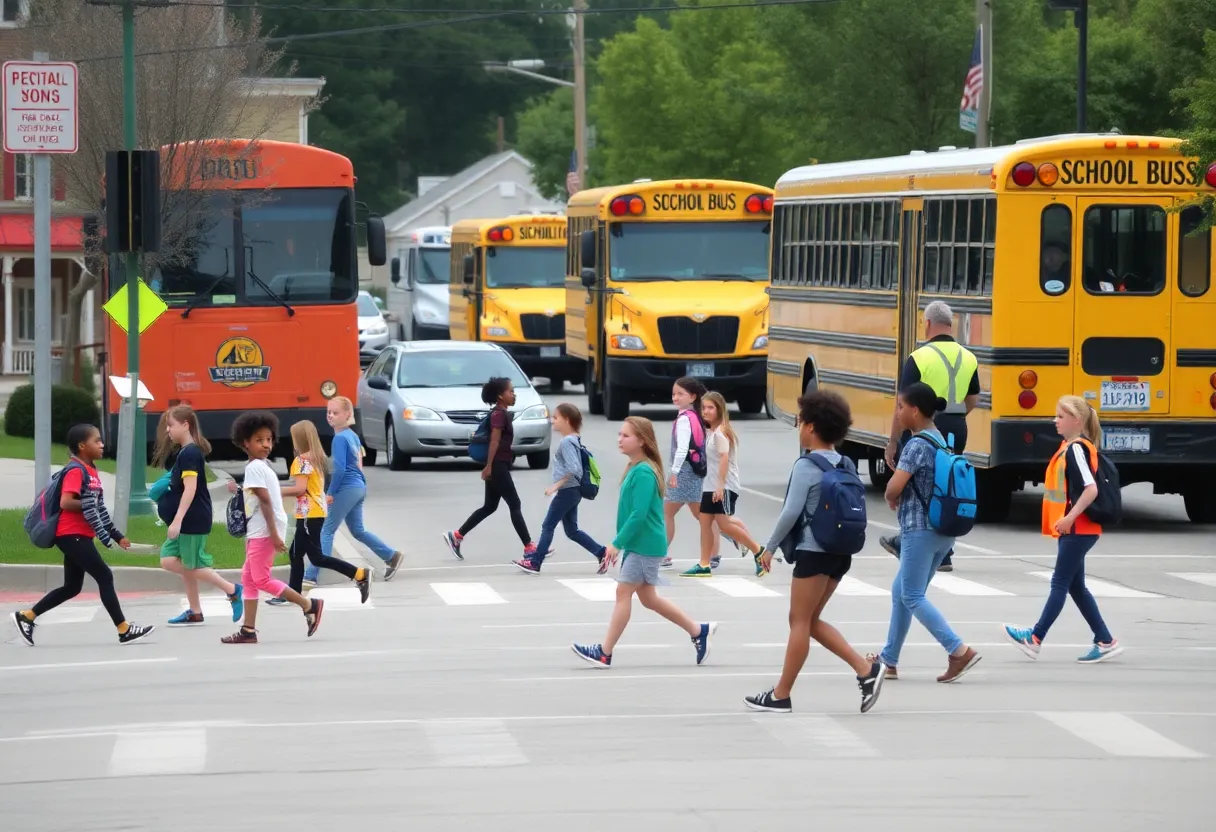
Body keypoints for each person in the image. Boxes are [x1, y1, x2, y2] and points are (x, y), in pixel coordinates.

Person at [746, 390, 886, 713]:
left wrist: (767, 549)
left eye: (800, 422)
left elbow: (789, 513)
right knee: (809, 620)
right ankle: (865, 670)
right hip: (841, 553)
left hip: (814, 552)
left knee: (798, 621)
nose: (799, 427)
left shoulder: (807, 465)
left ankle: (781, 695)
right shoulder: (846, 463)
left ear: (810, 427)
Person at [571, 416, 716, 668]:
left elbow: (638, 515)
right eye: (620, 434)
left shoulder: (645, 472)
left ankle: (604, 653)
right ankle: (697, 630)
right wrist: (622, 543)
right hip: (640, 543)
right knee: (649, 599)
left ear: (641, 441)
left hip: (645, 543)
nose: (620, 439)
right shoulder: (635, 468)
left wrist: (616, 544)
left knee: (623, 592)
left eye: (626, 435)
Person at [872, 383, 980, 683]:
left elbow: (894, 486)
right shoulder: (941, 440)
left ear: (915, 410)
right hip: (943, 532)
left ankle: (958, 650)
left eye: (901, 407)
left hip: (920, 530)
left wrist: (892, 497)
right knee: (901, 592)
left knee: (912, 595)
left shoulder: (917, 444)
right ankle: (889, 660)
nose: (898, 413)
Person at [1003, 396, 1123, 664]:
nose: (1054, 421)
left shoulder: (1076, 449)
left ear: (1076, 420)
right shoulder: (1071, 446)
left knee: (1060, 583)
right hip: (1077, 528)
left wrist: (1069, 517)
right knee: (1076, 587)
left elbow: (1090, 489)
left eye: (1060, 416)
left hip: (1079, 528)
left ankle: (1034, 638)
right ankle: (1105, 640)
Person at [10, 424, 154, 647]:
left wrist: (116, 535)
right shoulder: (76, 470)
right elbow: (66, 501)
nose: (102, 445)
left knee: (72, 587)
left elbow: (98, 508)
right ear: (82, 446)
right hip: (70, 533)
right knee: (104, 576)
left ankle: (27, 616)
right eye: (96, 441)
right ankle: (123, 629)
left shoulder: (91, 470)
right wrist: (89, 505)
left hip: (80, 534)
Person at [881, 300, 979, 572]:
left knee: (914, 486)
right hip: (956, 427)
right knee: (946, 485)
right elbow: (974, 398)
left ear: (927, 323)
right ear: (951, 323)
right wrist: (956, 417)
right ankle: (945, 551)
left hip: (924, 428)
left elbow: (902, 403)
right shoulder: (969, 357)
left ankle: (909, 542)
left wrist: (892, 440)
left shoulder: (918, 357)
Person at [222, 411, 324, 644]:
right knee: (248, 578)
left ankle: (309, 605)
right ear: (245, 442)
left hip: (265, 530)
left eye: (269, 439)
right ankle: (248, 630)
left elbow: (266, 501)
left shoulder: (255, 468)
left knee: (261, 579)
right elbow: (260, 498)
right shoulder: (261, 466)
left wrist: (275, 535)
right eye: (260, 440)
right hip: (264, 528)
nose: (267, 444)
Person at [158, 405, 245, 626]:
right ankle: (195, 611)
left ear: (185, 425)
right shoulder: (187, 452)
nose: (168, 430)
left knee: (190, 563)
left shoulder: (189, 453)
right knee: (172, 560)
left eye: (171, 425)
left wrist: (177, 520)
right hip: (188, 520)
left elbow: (191, 488)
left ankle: (232, 590)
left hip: (192, 520)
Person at [304, 396, 404, 588]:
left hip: (346, 487)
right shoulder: (352, 435)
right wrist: (361, 484)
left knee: (326, 529)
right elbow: (359, 462)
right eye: (328, 412)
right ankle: (391, 556)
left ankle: (311, 575)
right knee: (358, 530)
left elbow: (340, 469)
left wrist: (331, 492)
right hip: (357, 487)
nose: (331, 416)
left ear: (348, 414)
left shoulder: (339, 439)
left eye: (336, 413)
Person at [269, 420, 372, 606]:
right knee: (295, 553)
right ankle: (292, 594)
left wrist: (274, 491)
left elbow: (300, 489)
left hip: (309, 514)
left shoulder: (301, 461)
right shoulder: (317, 458)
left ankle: (359, 574)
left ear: (298, 439)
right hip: (314, 511)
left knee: (316, 557)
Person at [443, 377, 538, 561]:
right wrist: (489, 467)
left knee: (489, 506)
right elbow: (494, 441)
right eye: (510, 391)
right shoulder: (499, 415)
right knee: (515, 504)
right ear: (500, 396)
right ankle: (529, 547)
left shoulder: (500, 412)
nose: (514, 394)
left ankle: (456, 536)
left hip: (498, 464)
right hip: (497, 466)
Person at [513, 403, 606, 575]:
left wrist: (556, 486)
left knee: (548, 525)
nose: (552, 421)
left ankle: (535, 562)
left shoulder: (567, 441)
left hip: (568, 491)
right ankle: (601, 552)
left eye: (556, 418)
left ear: (567, 420)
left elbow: (575, 469)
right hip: (573, 491)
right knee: (572, 530)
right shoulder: (575, 439)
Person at [682, 392, 764, 578]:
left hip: (724, 485)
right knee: (705, 523)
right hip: (709, 485)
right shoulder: (711, 432)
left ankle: (758, 551)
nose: (706, 411)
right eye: (704, 408)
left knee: (724, 524)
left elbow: (724, 458)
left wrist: (720, 486)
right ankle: (704, 564)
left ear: (719, 410)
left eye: (711, 408)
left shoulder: (721, 432)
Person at [663, 377, 708, 570]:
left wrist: (674, 473)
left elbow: (682, 448)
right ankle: (728, 542)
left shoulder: (684, 419)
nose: (675, 397)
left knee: (665, 513)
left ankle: (661, 554)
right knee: (704, 515)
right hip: (694, 470)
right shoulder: (696, 416)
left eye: (680, 394)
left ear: (692, 396)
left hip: (684, 471)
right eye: (674, 393)